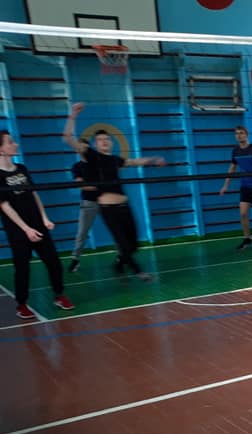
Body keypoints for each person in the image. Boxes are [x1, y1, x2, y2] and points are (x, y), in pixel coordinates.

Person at [63, 103, 165, 279]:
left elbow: (134, 162)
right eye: (100, 139)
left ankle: (118, 265)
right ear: (95, 144)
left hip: (124, 206)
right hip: (108, 208)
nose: (104, 141)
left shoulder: (115, 160)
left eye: (107, 139)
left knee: (133, 245)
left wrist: (153, 160)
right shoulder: (92, 156)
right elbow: (68, 138)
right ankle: (139, 271)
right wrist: (73, 115)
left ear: (111, 142)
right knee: (122, 243)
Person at [0, 130, 75, 319]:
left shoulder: (22, 168)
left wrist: (44, 218)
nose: (15, 144)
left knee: (54, 262)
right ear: (1, 150)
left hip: (38, 225)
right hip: (18, 231)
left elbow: (34, 194)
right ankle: (21, 304)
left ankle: (59, 295)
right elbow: (5, 205)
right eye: (10, 142)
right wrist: (26, 229)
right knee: (22, 269)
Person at [219, 126, 252, 250]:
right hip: (245, 187)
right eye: (237, 133)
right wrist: (225, 185)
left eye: (241, 133)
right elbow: (232, 168)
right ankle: (247, 239)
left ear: (246, 134)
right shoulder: (235, 151)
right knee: (243, 213)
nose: (239, 135)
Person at [67, 139, 99, 273]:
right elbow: (81, 185)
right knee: (82, 232)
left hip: (106, 201)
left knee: (117, 229)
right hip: (89, 202)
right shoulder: (77, 167)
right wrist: (100, 187)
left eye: (86, 147)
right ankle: (75, 258)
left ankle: (123, 256)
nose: (84, 150)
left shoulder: (98, 164)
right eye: (81, 147)